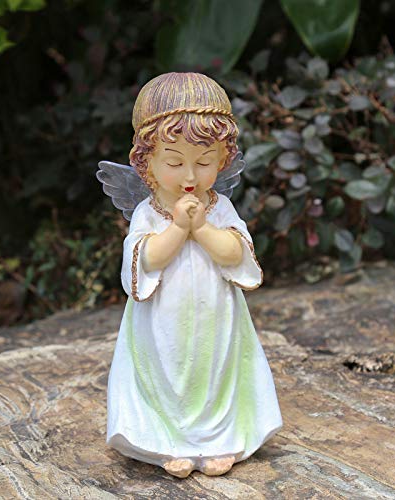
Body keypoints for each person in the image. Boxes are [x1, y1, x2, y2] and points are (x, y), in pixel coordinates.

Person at [102, 72, 282, 478]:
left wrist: (201, 227)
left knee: (215, 373)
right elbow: (145, 260)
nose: (189, 177)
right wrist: (178, 228)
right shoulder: (149, 212)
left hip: (216, 316)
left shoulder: (218, 207)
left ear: (222, 160)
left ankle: (219, 440)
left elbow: (235, 252)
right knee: (167, 377)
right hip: (161, 320)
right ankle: (168, 441)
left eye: (203, 163)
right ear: (146, 163)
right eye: (174, 162)